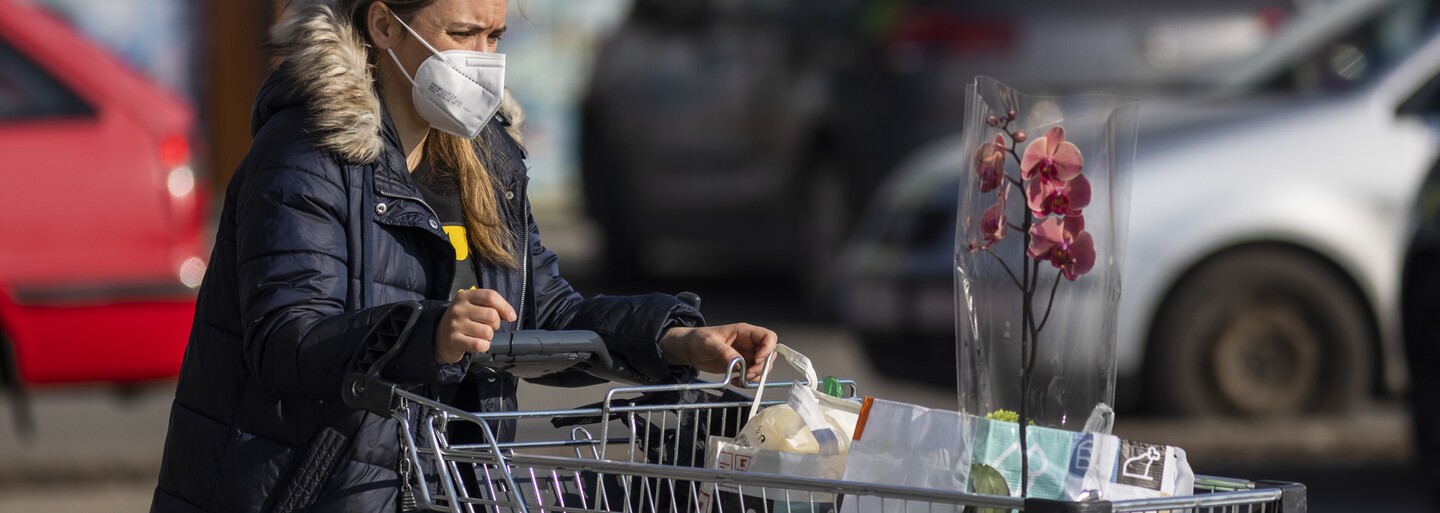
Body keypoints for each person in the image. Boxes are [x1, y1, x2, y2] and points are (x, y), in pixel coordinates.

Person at [149, 1, 777, 511]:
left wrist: (677, 340)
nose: (484, 60)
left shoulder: (489, 159)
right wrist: (431, 332)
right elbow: (285, 342)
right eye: (462, 33)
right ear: (384, 25)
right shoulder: (305, 160)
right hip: (305, 493)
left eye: (494, 35)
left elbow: (545, 314)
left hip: (446, 487)